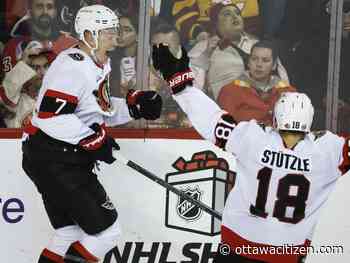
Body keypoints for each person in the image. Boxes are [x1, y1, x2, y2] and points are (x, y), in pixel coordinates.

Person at [152, 43, 350, 263]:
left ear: (276, 118)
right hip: (285, 255)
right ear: (310, 120)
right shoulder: (329, 152)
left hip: (237, 246)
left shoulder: (253, 138)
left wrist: (181, 84)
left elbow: (211, 118)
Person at [21, 5, 162, 263]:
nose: (115, 36)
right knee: (106, 233)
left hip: (50, 157)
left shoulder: (96, 63)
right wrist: (93, 139)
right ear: (89, 35)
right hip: (55, 159)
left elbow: (98, 110)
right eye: (108, 31)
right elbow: (51, 117)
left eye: (114, 29)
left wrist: (134, 107)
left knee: (68, 233)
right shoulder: (73, 67)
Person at [217, 40, 295, 126]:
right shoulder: (230, 91)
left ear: (274, 65)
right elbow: (223, 130)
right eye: (254, 59)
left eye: (265, 60)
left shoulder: (288, 92)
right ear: (248, 63)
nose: (259, 64)